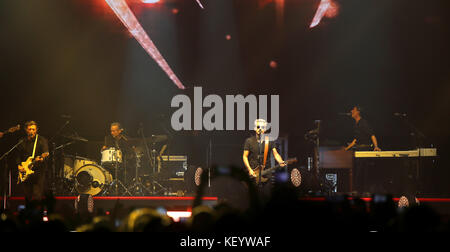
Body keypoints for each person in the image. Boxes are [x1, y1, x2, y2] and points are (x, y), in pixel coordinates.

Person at [344, 106, 381, 194]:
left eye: (353, 109)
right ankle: (358, 190)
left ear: (358, 112)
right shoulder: (356, 124)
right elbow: (356, 140)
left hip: (365, 149)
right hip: (359, 150)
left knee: (363, 170)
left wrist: (376, 146)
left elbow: (372, 135)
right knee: (358, 169)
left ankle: (364, 190)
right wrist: (346, 149)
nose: (351, 111)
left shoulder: (364, 123)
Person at [16, 121, 49, 202]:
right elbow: (17, 155)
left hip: (38, 172)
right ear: (26, 130)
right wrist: (19, 166)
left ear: (36, 130)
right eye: (30, 129)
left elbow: (46, 154)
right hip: (25, 172)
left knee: (37, 196)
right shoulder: (22, 141)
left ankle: (38, 213)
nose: (31, 131)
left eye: (33, 129)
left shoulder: (42, 140)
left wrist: (42, 158)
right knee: (27, 196)